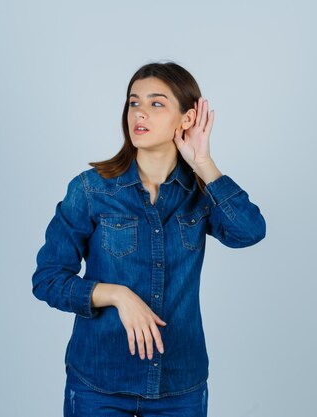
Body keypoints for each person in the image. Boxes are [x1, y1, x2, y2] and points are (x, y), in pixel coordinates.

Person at [31, 61, 266, 417]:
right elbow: (47, 279)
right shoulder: (91, 190)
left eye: (156, 104)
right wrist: (116, 294)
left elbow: (249, 232)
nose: (139, 113)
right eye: (133, 102)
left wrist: (203, 163)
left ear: (187, 119)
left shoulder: (200, 193)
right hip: (100, 382)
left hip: (179, 384)